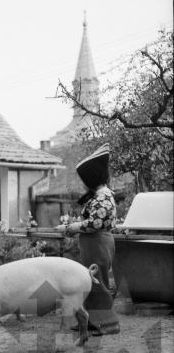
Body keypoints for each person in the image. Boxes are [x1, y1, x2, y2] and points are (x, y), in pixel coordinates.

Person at [55, 143, 120, 336]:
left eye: (84, 179)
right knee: (90, 281)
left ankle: (109, 324)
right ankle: (93, 320)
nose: (83, 183)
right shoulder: (100, 195)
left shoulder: (104, 196)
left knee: (98, 282)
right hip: (93, 243)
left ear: (91, 179)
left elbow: (94, 224)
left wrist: (71, 228)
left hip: (99, 242)